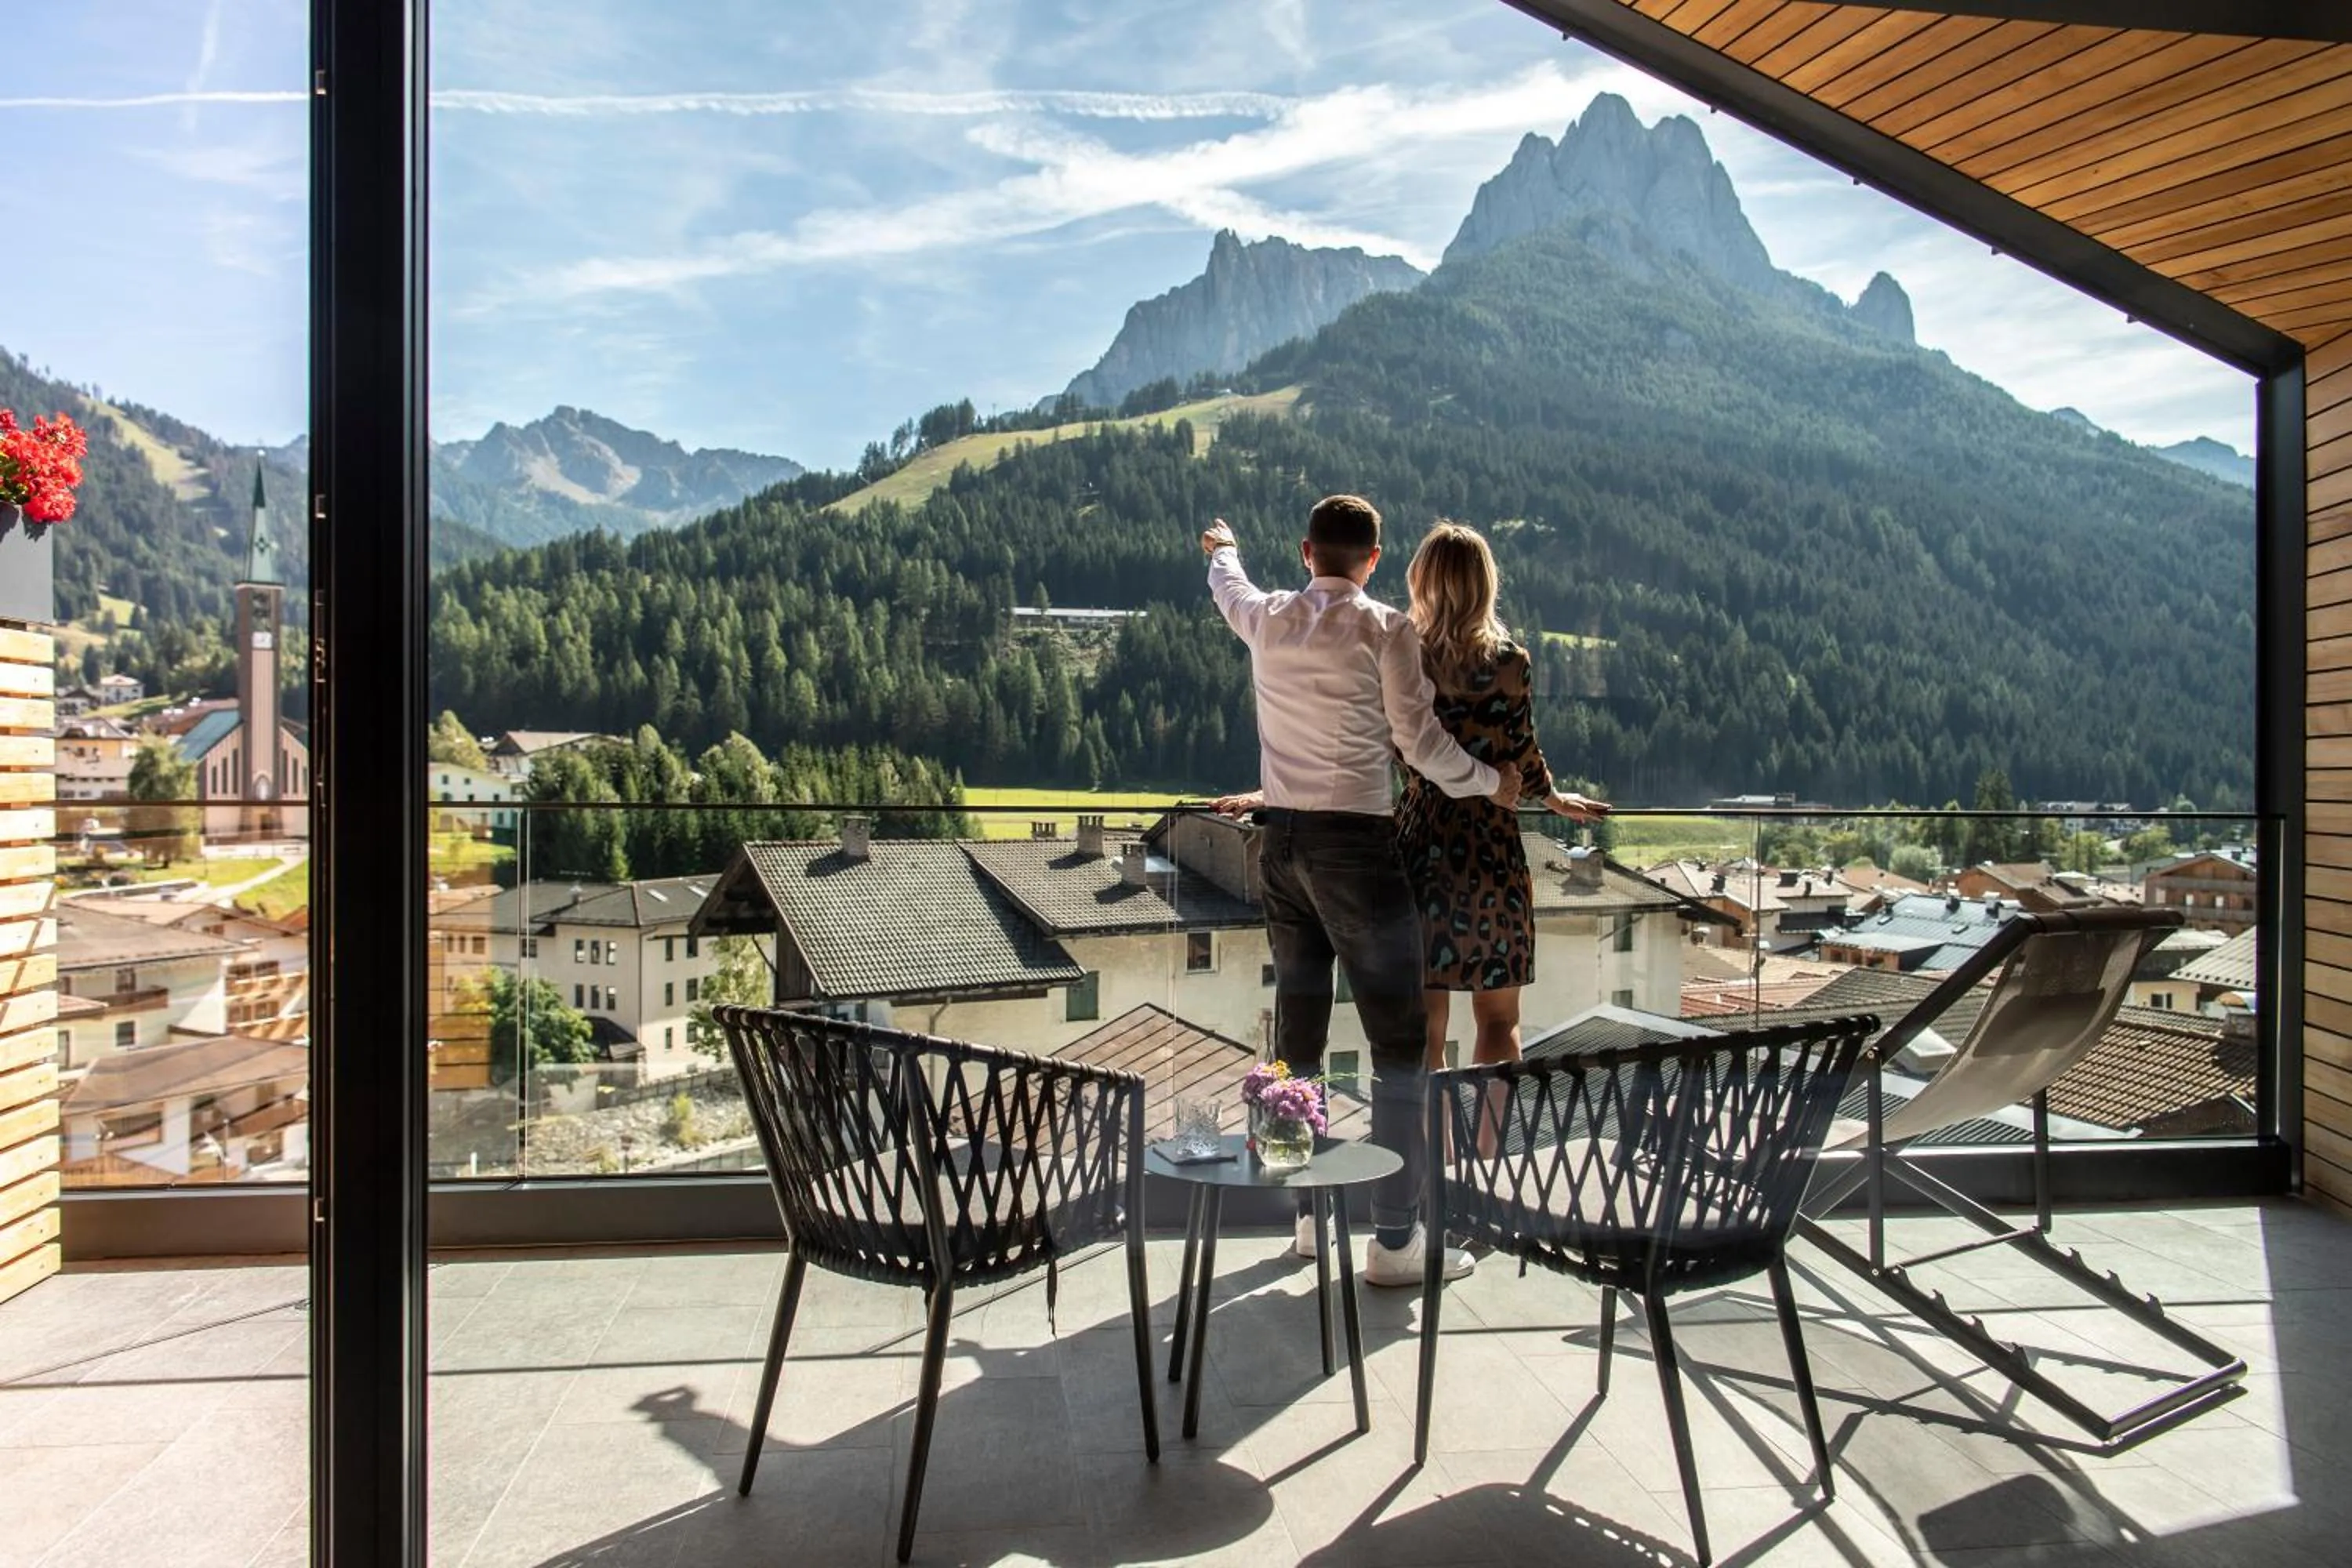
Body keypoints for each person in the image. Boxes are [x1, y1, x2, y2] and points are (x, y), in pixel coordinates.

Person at [1201, 495, 1518, 1287]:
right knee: (1400, 1050)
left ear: (1307, 551)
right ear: (1373, 559)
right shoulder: (1386, 629)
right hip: (1358, 852)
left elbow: (1227, 583)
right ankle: (1393, 1239)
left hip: (1282, 848)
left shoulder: (1268, 618)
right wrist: (1491, 783)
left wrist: (1223, 543)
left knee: (1298, 1035)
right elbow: (1419, 742)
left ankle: (1305, 1215)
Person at [1393, 522, 1608, 1153]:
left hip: (1424, 841)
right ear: (1486, 583)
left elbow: (1393, 744)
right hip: (1491, 848)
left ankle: (1435, 1159)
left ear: (1422, 580)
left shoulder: (1404, 652)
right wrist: (1548, 795)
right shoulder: (1511, 662)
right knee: (1499, 1019)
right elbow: (1522, 748)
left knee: (1425, 1027)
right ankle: (1487, 1156)